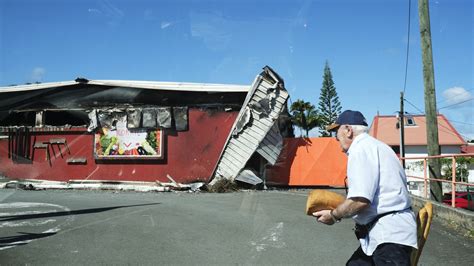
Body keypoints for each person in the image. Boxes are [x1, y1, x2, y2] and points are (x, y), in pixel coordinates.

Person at [313, 110, 417, 265]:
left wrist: (334, 215)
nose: (336, 138)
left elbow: (360, 200)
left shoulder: (359, 149)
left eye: (337, 131)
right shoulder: (376, 146)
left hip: (389, 236)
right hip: (385, 233)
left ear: (348, 130)